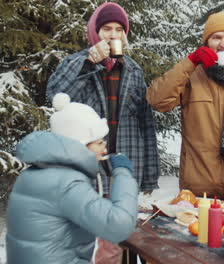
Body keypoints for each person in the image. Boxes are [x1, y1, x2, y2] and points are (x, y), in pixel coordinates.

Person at [146, 12, 224, 220]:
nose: (223, 43)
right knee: (199, 252)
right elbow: (157, 100)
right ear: (206, 41)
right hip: (200, 195)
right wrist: (190, 62)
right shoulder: (191, 75)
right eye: (216, 37)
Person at [6, 93, 138, 264]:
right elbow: (119, 225)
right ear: (80, 145)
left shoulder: (34, 173)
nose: (104, 150)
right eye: (99, 143)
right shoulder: (66, 183)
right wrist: (123, 173)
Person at [47, 2, 159, 195]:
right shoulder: (76, 63)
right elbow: (56, 95)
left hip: (126, 164)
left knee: (125, 224)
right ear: (95, 32)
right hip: (86, 167)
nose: (113, 35)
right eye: (107, 29)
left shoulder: (133, 71)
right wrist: (90, 62)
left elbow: (146, 124)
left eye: (119, 29)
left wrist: (149, 177)